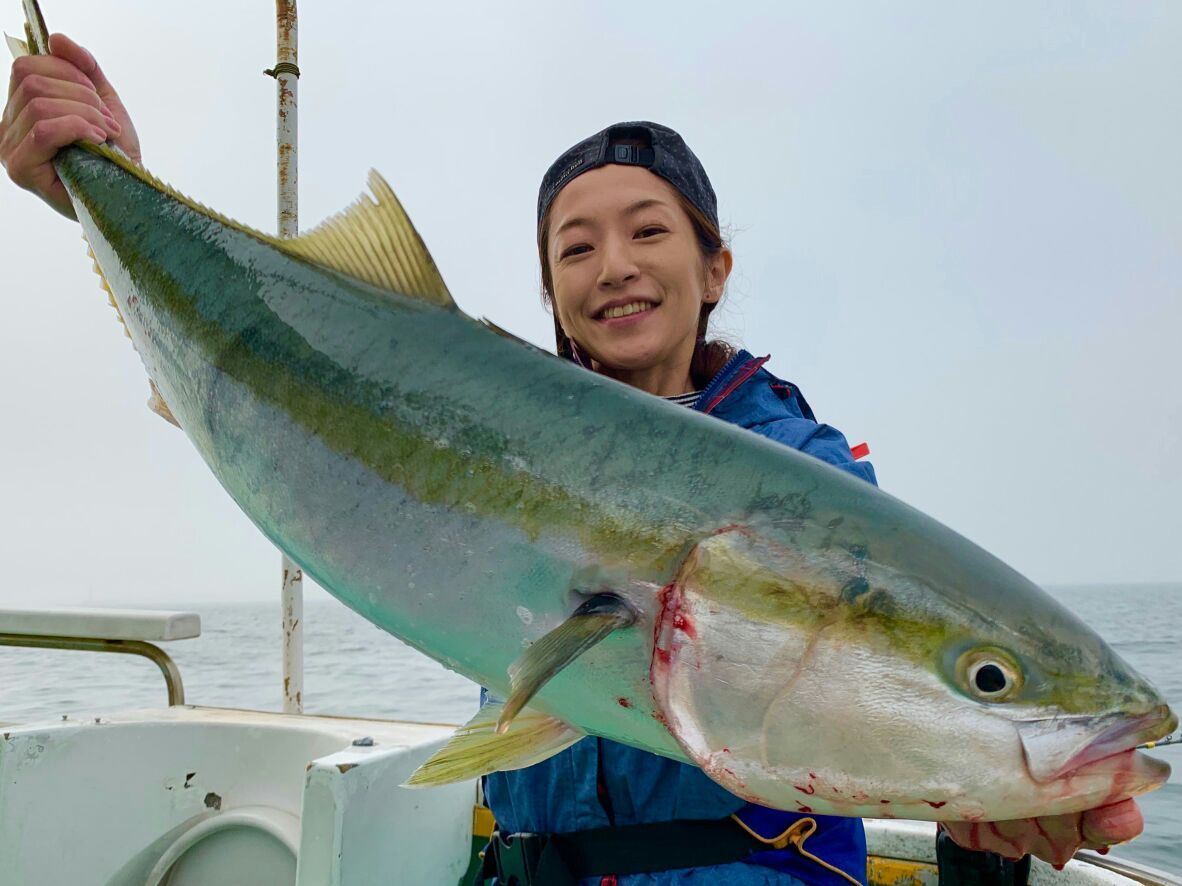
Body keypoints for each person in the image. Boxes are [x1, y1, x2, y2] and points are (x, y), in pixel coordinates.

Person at [1, 33, 1149, 885]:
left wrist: (979, 799)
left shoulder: (807, 486)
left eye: (650, 230)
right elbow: (266, 372)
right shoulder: (463, 404)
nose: (615, 265)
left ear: (716, 265)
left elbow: (842, 703)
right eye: (575, 246)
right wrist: (106, 181)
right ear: (551, 290)